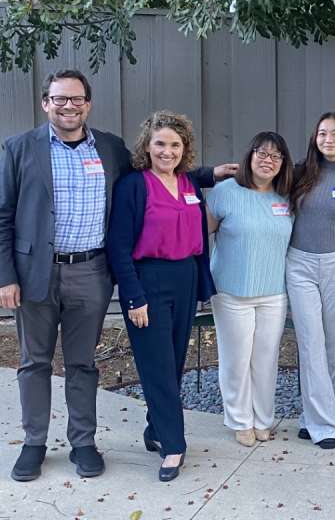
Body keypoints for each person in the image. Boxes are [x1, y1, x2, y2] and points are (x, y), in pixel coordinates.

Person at [0, 71, 228, 483]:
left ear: (88, 103)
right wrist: (5, 277)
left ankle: (83, 442)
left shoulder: (109, 148)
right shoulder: (19, 149)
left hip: (91, 271)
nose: (68, 106)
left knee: (83, 363)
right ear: (45, 102)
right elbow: (2, 216)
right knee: (35, 362)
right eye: (60, 99)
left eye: (76, 99)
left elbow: (164, 171)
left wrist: (213, 174)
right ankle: (34, 443)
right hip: (35, 273)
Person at [107, 111, 218, 482]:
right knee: (156, 367)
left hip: (184, 277)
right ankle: (174, 444)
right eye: (160, 143)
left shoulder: (188, 184)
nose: (167, 151)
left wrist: (203, 286)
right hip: (147, 281)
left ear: (184, 148)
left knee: (172, 362)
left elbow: (201, 240)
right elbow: (119, 247)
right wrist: (133, 297)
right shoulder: (134, 186)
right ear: (147, 145)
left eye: (174, 144)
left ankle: (155, 429)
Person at [207, 132, 294, 447]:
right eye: (262, 153)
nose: (268, 160)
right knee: (236, 358)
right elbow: (201, 235)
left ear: (283, 164)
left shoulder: (286, 198)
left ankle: (263, 419)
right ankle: (240, 419)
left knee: (266, 359)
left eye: (276, 155)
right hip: (232, 292)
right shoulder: (224, 193)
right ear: (249, 155)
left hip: (273, 291)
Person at [287, 112, 335, 450]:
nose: (328, 139)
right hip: (299, 264)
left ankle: (311, 415)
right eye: (322, 133)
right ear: (314, 138)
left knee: (332, 343)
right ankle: (326, 425)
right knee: (310, 341)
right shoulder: (299, 173)